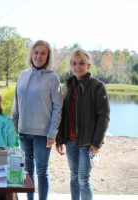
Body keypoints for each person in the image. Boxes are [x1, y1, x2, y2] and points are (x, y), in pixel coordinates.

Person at [11, 40, 63, 200]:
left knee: (41, 171)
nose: (38, 56)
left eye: (43, 53)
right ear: (31, 54)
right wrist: (13, 126)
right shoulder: (23, 75)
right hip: (23, 131)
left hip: (43, 134)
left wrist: (52, 133)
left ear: (48, 57)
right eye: (36, 52)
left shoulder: (53, 78)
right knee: (27, 170)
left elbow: (58, 108)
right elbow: (16, 103)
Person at [56, 49, 110, 200]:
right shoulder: (67, 86)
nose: (78, 67)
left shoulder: (97, 86)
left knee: (83, 179)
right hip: (70, 141)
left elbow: (104, 117)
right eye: (74, 63)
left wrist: (97, 143)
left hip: (88, 143)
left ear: (88, 65)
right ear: (70, 65)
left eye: (81, 63)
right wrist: (60, 139)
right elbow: (62, 114)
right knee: (73, 176)